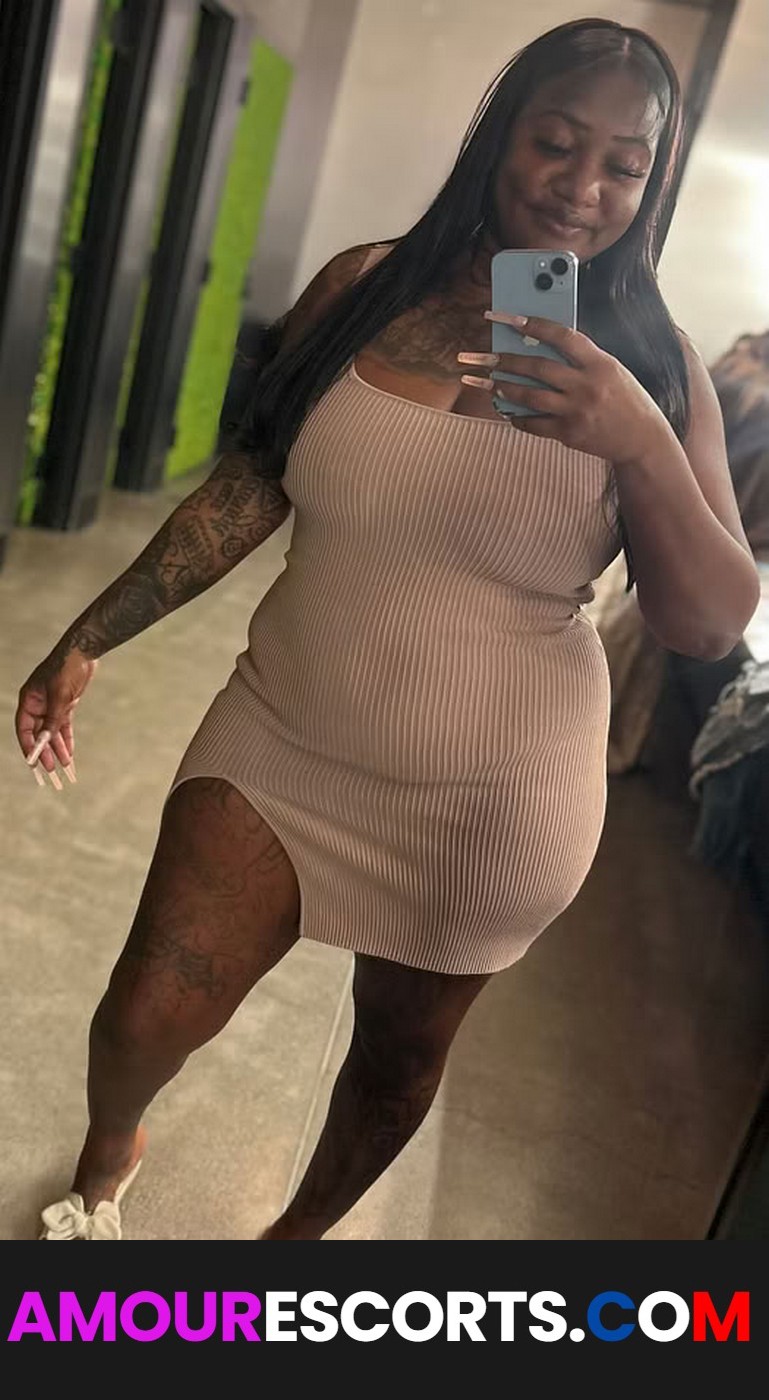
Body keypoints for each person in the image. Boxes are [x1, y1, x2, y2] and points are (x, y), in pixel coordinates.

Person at [16, 17, 760, 1242]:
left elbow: (707, 621)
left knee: (398, 1062)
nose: (580, 187)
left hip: (496, 793)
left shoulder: (656, 364)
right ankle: (111, 1148)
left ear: (651, 183)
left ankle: (292, 1248)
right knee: (143, 1010)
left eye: (622, 166)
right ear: (499, 136)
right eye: (555, 142)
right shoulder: (362, 287)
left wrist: (637, 438)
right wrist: (91, 632)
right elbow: (250, 484)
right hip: (282, 733)